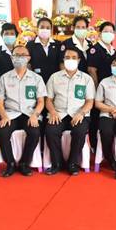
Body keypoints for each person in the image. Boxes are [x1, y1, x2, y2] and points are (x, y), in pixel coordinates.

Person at [0, 45, 47, 177]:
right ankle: (10, 164)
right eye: (17, 55)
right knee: (2, 132)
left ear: (28, 58)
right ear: (12, 58)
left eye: (23, 55)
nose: (20, 58)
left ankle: (24, 163)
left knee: (34, 132)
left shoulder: (36, 78)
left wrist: (35, 115)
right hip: (10, 114)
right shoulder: (4, 78)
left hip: (29, 114)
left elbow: (41, 101)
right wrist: (4, 116)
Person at [44, 46, 94, 176]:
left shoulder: (86, 79)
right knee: (51, 131)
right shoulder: (54, 77)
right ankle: (57, 163)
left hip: (79, 114)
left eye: (73, 57)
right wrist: (53, 112)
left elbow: (90, 101)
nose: (70, 60)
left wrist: (81, 113)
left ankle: (73, 163)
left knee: (80, 131)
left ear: (79, 60)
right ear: (63, 60)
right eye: (67, 57)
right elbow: (48, 99)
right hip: (58, 113)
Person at [87, 21, 116, 150]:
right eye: (105, 31)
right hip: (99, 88)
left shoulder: (113, 50)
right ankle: (94, 144)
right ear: (100, 33)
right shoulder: (95, 49)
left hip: (111, 89)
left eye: (111, 31)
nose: (108, 34)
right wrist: (97, 89)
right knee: (95, 117)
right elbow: (91, 70)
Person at [26, 17, 62, 84]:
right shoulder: (30, 45)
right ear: (37, 29)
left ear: (51, 30)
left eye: (48, 28)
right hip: (36, 81)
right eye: (42, 27)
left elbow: (61, 63)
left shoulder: (58, 44)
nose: (45, 29)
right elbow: (28, 64)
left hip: (55, 81)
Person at [0, 22, 18, 88]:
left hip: (18, 86)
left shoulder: (20, 51)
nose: (9, 36)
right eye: (6, 33)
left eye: (12, 34)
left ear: (16, 36)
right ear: (2, 35)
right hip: (2, 86)